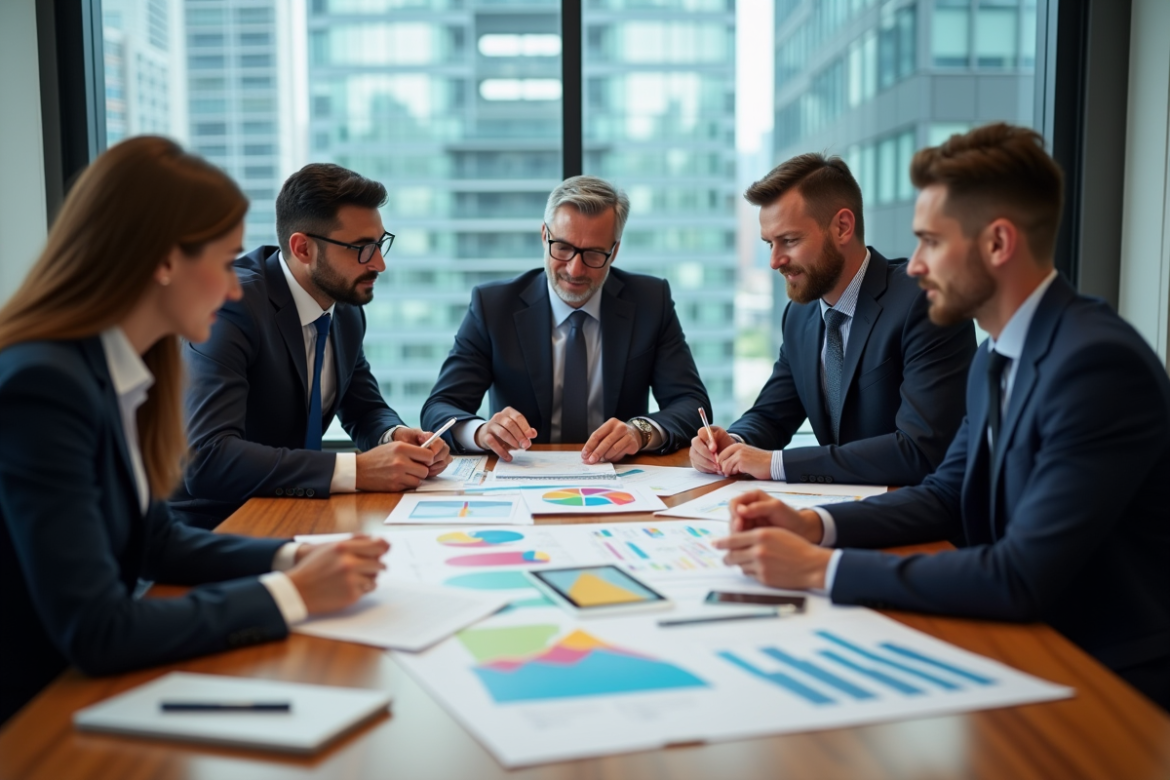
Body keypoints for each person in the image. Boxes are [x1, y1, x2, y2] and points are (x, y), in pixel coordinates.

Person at [713, 123, 1170, 711]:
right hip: (1022, 641)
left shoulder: (1095, 364)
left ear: (997, 245)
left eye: (931, 241)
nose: (916, 267)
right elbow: (944, 494)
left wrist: (820, 569)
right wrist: (813, 526)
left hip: (1105, 672)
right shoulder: (993, 358)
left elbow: (1019, 575)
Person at [0, 137, 390, 725]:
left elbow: (156, 541)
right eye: (221, 260)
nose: (235, 285)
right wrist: (295, 594)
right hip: (40, 714)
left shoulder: (117, 371)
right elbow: (97, 628)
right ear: (162, 260)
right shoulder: (44, 386)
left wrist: (296, 556)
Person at [171, 163, 451, 529]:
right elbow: (207, 459)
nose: (379, 264)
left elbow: (364, 409)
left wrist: (395, 437)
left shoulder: (345, 308)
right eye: (362, 249)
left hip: (296, 511)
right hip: (214, 525)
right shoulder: (230, 306)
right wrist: (357, 470)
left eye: (380, 244)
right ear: (303, 248)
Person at [692, 154, 976, 486]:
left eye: (790, 240)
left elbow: (919, 451)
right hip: (842, 509)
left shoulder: (926, 303)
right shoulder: (800, 316)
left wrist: (775, 464)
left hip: (919, 518)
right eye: (769, 243)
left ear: (842, 227)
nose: (774, 261)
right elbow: (772, 415)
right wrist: (733, 443)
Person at [421, 175, 711, 463]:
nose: (575, 269)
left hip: (620, 480)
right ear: (545, 236)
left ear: (615, 251)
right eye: (562, 248)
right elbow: (441, 407)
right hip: (523, 476)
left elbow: (692, 405)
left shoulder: (650, 301)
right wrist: (481, 431)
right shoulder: (494, 306)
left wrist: (640, 432)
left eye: (594, 254)